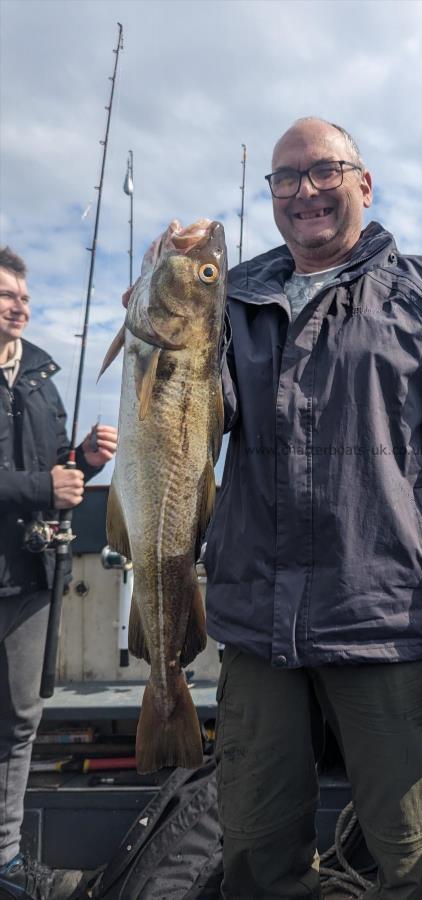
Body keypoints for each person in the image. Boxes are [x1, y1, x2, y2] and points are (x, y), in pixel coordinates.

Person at [204, 117, 422, 900]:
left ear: (363, 182)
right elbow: (184, 413)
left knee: (412, 853)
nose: (304, 191)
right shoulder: (233, 300)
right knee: (252, 847)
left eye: (323, 171)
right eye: (284, 178)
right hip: (256, 621)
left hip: (384, 621)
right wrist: (163, 306)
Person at [0, 247, 117, 900]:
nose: (20, 306)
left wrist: (86, 462)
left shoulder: (40, 379)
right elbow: (36, 483)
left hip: (29, 579)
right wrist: (44, 484)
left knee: (19, 723)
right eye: (5, 295)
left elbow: (56, 470)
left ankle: (6, 860)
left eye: (24, 296)